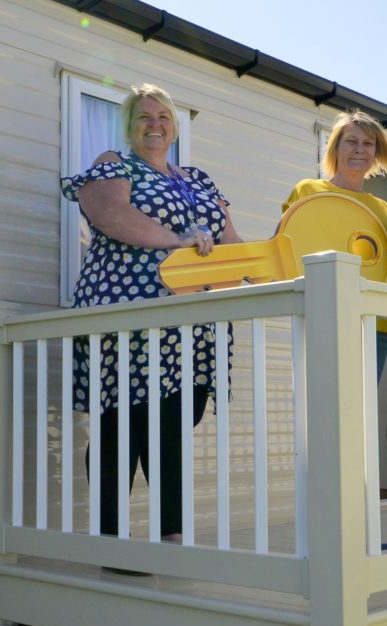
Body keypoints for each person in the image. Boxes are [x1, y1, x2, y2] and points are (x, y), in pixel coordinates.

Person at [61, 83, 242, 545]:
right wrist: (178, 241)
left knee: (174, 431)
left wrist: (279, 271)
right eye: (144, 118)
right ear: (128, 127)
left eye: (163, 117)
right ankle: (110, 539)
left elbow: (233, 243)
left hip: (190, 324)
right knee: (120, 428)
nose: (155, 125)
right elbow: (109, 214)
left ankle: (172, 539)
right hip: (128, 316)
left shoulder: (198, 179)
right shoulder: (114, 165)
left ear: (175, 126)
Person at [283, 110, 387, 374]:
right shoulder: (308, 191)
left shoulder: (382, 209)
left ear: (376, 153)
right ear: (335, 147)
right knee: (317, 400)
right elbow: (284, 248)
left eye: (368, 144)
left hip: (373, 323)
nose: (359, 150)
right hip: (319, 316)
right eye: (351, 141)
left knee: (362, 406)